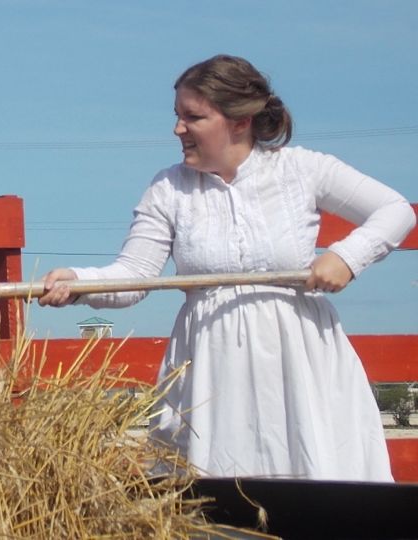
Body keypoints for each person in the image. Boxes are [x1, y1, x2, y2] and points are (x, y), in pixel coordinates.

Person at [38, 54, 415, 481]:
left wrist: (347, 257)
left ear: (240, 121)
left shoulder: (303, 169)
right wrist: (78, 282)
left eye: (193, 117)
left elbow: (394, 210)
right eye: (178, 116)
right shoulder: (169, 188)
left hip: (299, 362)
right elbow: (134, 276)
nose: (178, 129)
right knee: (214, 498)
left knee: (317, 489)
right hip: (210, 367)